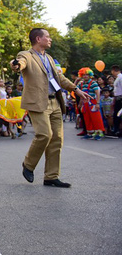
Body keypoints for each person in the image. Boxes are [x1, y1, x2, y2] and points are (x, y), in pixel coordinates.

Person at [11, 28, 90, 188]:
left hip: (55, 102)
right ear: (38, 39)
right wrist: (16, 65)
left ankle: (51, 176)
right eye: (47, 37)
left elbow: (59, 78)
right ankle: (28, 164)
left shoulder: (49, 58)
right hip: (38, 102)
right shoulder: (26, 55)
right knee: (44, 135)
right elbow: (20, 63)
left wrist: (76, 90)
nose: (50, 39)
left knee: (57, 139)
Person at [76, 68, 105, 140]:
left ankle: (99, 133)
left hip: (92, 103)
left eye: (87, 75)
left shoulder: (93, 83)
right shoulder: (81, 84)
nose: (85, 76)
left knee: (96, 118)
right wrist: (80, 103)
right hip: (85, 103)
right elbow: (80, 95)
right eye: (84, 75)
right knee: (87, 118)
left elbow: (97, 93)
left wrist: (97, 103)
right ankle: (90, 133)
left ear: (90, 75)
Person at [112, 65, 122, 136]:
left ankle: (118, 130)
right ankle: (116, 129)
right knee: (116, 114)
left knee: (118, 115)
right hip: (117, 98)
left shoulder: (120, 78)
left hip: (120, 98)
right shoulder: (118, 78)